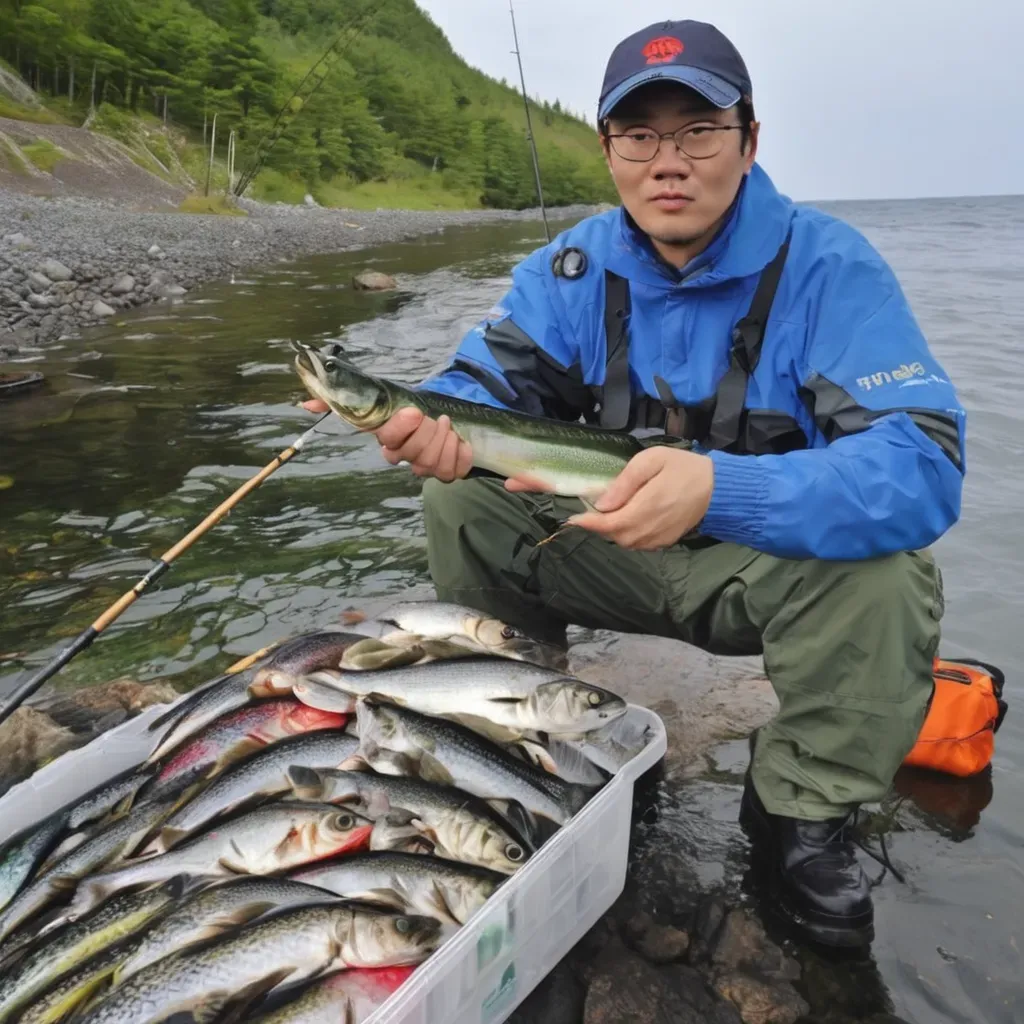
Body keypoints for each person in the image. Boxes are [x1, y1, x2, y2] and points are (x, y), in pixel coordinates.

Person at [303, 19, 965, 947]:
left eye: (698, 130)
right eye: (639, 134)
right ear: (609, 148)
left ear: (750, 141)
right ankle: (529, 725)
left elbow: (925, 464)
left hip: (759, 566)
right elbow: (474, 387)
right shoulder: (571, 268)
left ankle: (797, 820)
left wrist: (719, 489)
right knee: (460, 496)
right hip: (601, 550)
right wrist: (414, 419)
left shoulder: (832, 269)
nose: (669, 161)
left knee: (892, 572)